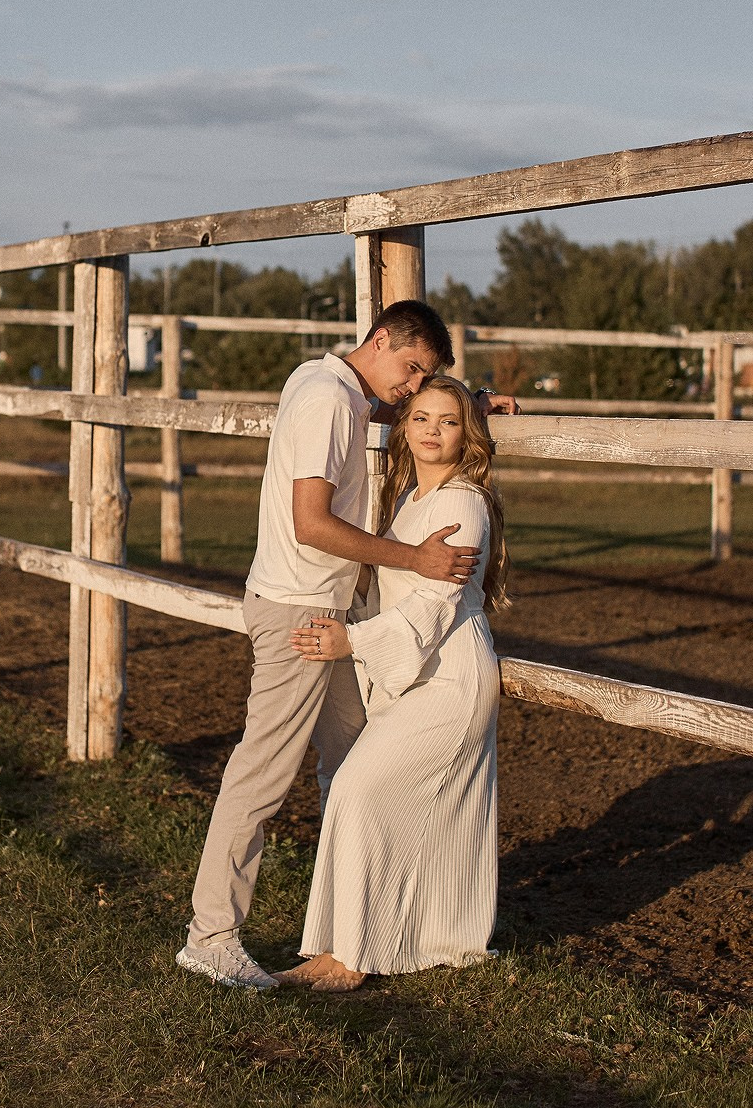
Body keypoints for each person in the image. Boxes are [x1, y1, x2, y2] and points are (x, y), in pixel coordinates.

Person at [175, 301, 517, 991]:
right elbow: (310, 523)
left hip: (329, 612)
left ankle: (353, 933)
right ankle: (210, 936)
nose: (412, 386)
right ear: (381, 338)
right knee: (264, 771)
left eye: (427, 380)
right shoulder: (332, 401)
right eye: (411, 367)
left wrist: (465, 405)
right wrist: (409, 559)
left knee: (352, 761)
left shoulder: (325, 383)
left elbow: (404, 414)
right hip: (303, 611)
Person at [276, 375, 509, 992]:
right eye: (422, 418)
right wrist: (349, 623)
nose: (433, 431)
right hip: (416, 675)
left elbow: (434, 606)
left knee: (355, 789)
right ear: (404, 426)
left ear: (468, 436)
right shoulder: (409, 500)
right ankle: (354, 947)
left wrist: (351, 642)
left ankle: (352, 958)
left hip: (451, 679)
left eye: (450, 422)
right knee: (397, 808)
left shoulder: (462, 503)